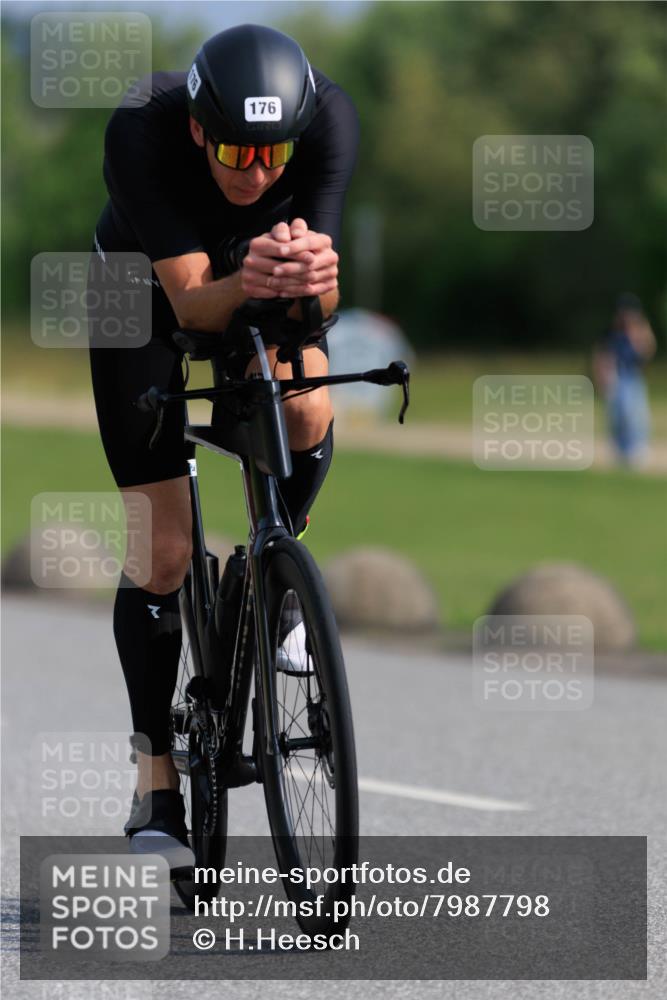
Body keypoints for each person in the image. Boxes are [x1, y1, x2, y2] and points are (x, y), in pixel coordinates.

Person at [88, 24, 359, 867]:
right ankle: (156, 787)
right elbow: (194, 304)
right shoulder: (141, 126)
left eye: (274, 154)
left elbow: (321, 301)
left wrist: (315, 283)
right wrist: (259, 279)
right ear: (199, 130)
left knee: (307, 413)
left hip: (257, 275)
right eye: (237, 151)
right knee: (163, 551)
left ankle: (277, 577)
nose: (257, 173)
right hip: (143, 292)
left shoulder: (329, 119)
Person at [592, 293, 657, 467]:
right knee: (617, 414)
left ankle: (637, 448)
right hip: (614, 376)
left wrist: (637, 332)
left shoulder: (638, 331)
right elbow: (601, 355)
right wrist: (601, 378)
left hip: (633, 376)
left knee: (636, 413)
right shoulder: (610, 332)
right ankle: (620, 450)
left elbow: (648, 351)